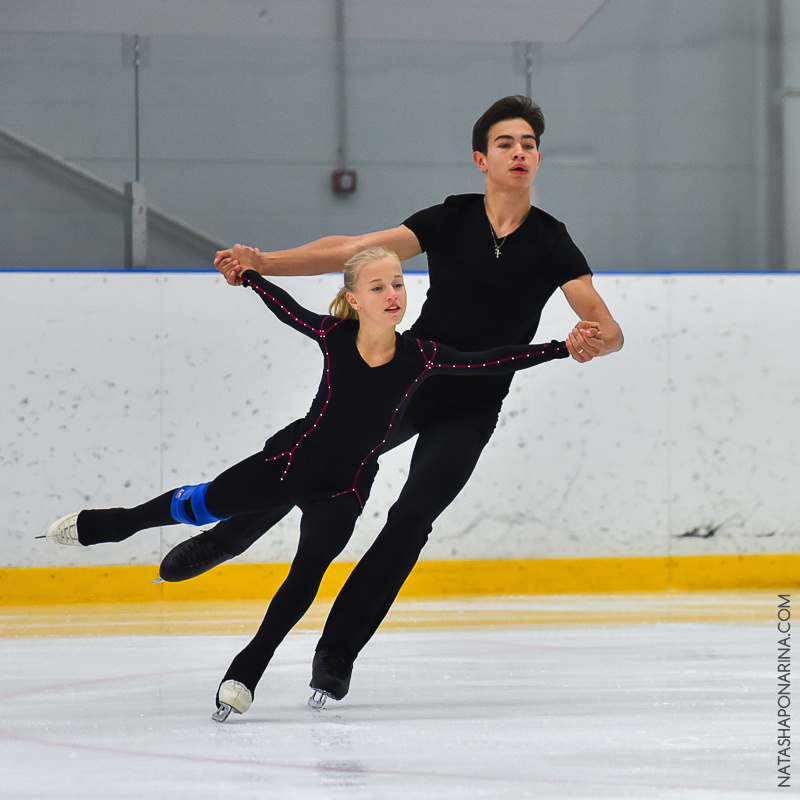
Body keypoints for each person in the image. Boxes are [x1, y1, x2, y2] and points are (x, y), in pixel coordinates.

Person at [175, 94, 624, 705]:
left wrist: (595, 341)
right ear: (481, 159)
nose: (519, 152)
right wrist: (265, 262)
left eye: (529, 144)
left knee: (412, 519)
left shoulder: (552, 241)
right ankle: (228, 536)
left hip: (471, 407)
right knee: (314, 448)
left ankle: (337, 652)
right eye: (505, 144)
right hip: (411, 379)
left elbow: (607, 327)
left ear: (538, 158)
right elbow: (352, 250)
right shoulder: (450, 218)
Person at [43, 246, 573, 721]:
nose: (393, 294)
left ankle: (248, 669)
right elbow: (285, 306)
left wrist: (562, 347)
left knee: (307, 572)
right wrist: (249, 275)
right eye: (378, 288)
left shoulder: (423, 355)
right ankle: (114, 525)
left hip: (345, 489)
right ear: (354, 299)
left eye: (398, 284)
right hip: (290, 464)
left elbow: (492, 361)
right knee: (202, 505)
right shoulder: (333, 335)